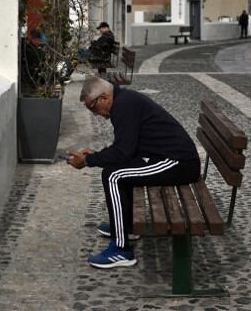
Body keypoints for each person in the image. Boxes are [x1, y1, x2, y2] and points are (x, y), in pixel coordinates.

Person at [66, 76, 199, 269]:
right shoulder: (124, 101)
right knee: (118, 170)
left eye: (92, 107)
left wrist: (88, 160)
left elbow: (123, 151)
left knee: (113, 175)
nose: (94, 113)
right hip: (167, 158)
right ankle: (126, 227)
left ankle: (121, 250)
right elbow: (125, 148)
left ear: (104, 98)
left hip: (179, 163)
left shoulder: (123, 106)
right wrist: (97, 155)